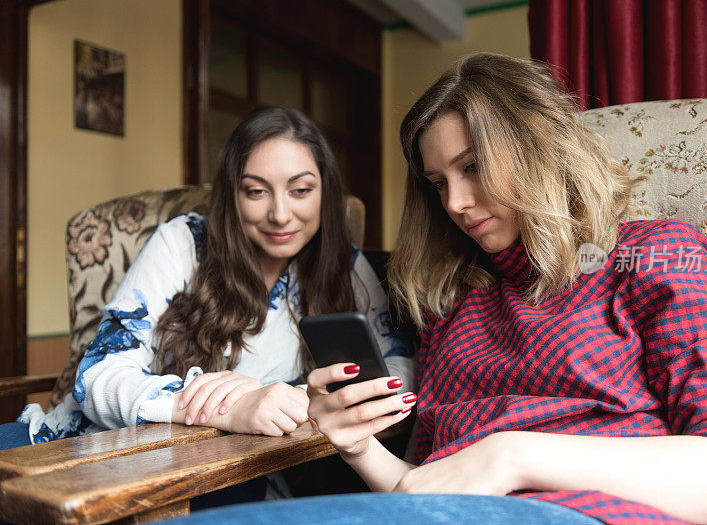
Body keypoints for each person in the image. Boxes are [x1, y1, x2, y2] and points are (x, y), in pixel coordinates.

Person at [169, 53, 707, 525]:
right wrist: (357, 447)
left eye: (473, 167)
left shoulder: (653, 255)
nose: (457, 204)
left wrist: (513, 455)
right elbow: (428, 488)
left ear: (540, 150)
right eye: (438, 183)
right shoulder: (452, 299)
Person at [0, 107, 415, 454]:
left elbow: (401, 369)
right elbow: (96, 376)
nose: (281, 214)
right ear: (232, 195)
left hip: (226, 468)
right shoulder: (184, 241)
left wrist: (307, 401)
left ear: (325, 192)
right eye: (256, 192)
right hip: (87, 447)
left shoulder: (343, 264)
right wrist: (229, 406)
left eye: (301, 190)